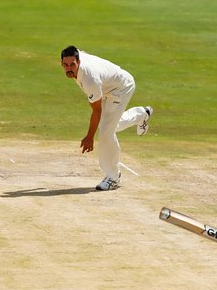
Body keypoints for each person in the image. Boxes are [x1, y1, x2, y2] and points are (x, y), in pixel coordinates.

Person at [60, 45, 153, 191]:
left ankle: (113, 176)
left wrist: (89, 137)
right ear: (61, 63)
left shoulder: (90, 80)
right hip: (107, 87)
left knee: (105, 132)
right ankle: (141, 114)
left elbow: (96, 110)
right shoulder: (77, 56)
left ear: (79, 62)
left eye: (72, 64)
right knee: (110, 125)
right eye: (65, 65)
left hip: (121, 88)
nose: (69, 68)